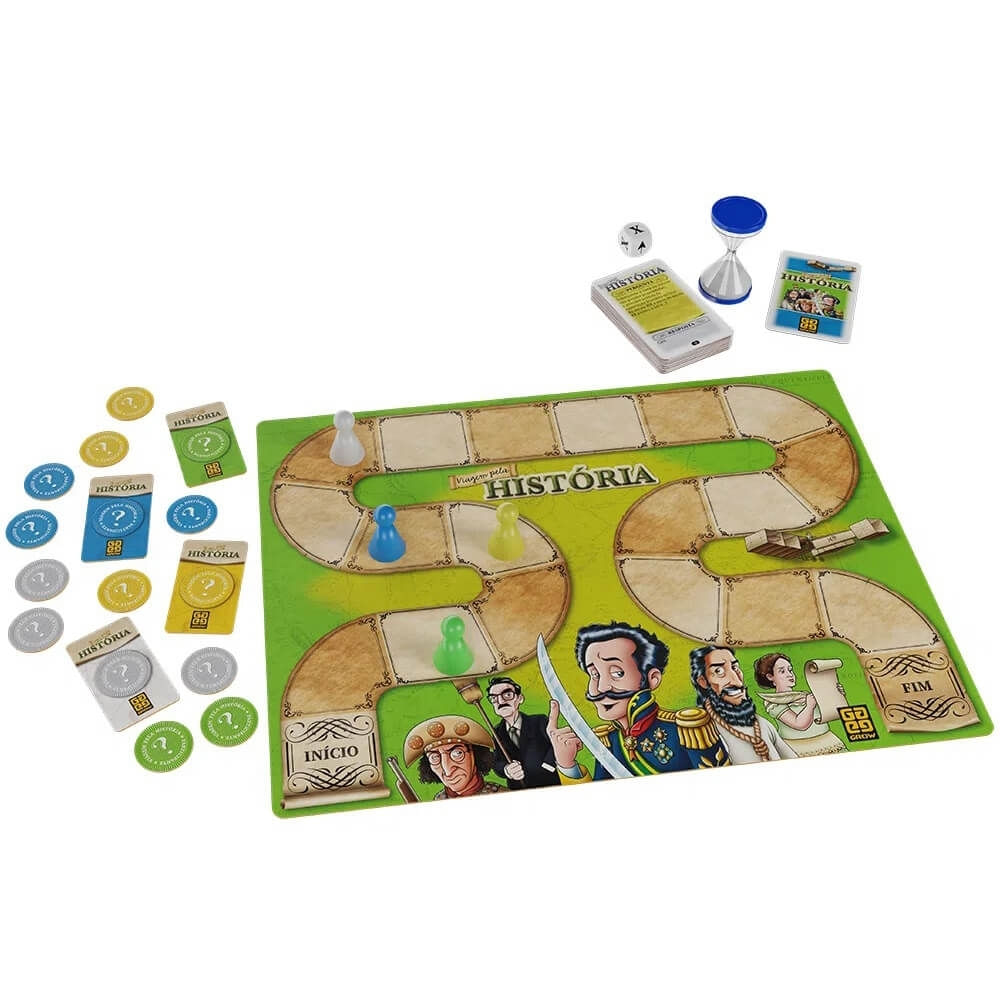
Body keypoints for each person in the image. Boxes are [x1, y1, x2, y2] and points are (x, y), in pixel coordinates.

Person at [547, 622, 729, 782]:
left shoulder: (687, 729)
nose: (601, 687)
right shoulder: (609, 741)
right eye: (594, 674)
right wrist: (567, 765)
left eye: (617, 673)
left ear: (652, 678)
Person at [689, 645, 797, 764]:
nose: (737, 681)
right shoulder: (703, 731)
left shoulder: (762, 724)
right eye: (719, 671)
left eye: (734, 667)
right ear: (703, 682)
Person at [753, 652, 846, 756]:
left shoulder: (804, 695)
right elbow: (799, 724)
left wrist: (836, 694)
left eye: (790, 670)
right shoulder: (774, 702)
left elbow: (830, 712)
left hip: (827, 741)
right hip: (799, 748)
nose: (790, 674)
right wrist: (809, 706)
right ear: (770, 677)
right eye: (782, 671)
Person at [403, 715, 507, 800]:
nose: (447, 771)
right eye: (434, 758)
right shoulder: (439, 799)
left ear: (475, 754)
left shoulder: (502, 795)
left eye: (457, 754)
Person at [485, 677, 560, 790]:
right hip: (518, 789)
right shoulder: (497, 732)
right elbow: (497, 761)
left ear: (520, 698)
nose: (500, 702)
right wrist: (507, 770)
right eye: (494, 698)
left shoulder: (539, 721)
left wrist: (548, 766)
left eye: (507, 695)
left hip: (549, 784)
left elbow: (556, 745)